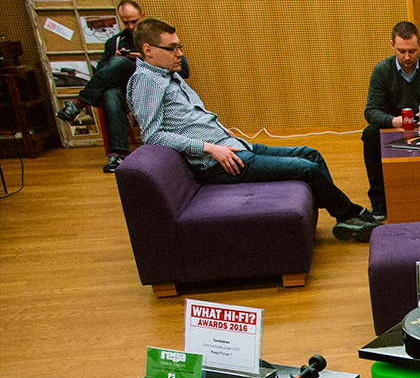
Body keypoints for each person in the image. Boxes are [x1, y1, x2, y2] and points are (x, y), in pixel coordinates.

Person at [127, 19, 378, 242]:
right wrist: (209, 147)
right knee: (307, 169)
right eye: (172, 48)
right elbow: (152, 135)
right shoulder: (146, 81)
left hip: (233, 147)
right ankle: (349, 215)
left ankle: (341, 215)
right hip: (219, 163)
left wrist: (218, 130)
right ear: (148, 50)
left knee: (311, 154)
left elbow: (187, 118)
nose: (180, 53)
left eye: (179, 46)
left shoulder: (167, 75)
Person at [57, 1, 190, 173]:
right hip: (127, 90)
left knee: (117, 63)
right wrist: (119, 58)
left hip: (154, 86)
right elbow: (102, 74)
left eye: (134, 21)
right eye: (126, 22)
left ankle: (79, 103)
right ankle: (119, 154)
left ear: (143, 15)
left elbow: (184, 70)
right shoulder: (116, 42)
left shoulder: (158, 38)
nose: (131, 26)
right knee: (110, 93)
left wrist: (141, 58)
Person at [362, 21, 420, 220]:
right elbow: (371, 112)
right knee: (370, 134)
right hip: (392, 125)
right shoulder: (382, 70)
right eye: (401, 51)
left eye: (412, 51)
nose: (407, 57)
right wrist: (395, 121)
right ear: (392, 46)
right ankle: (379, 200)